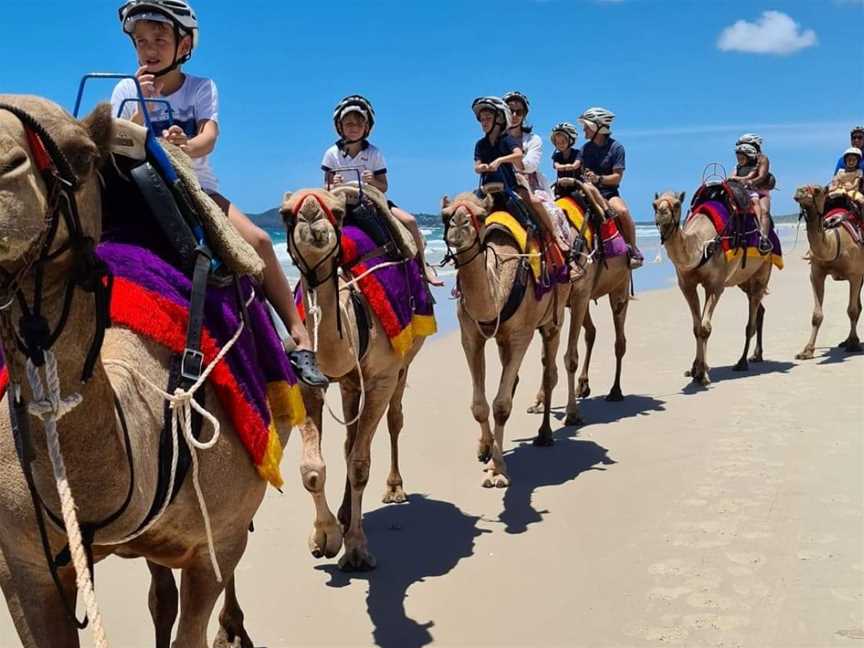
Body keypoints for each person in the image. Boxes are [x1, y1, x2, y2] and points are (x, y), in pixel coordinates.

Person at [111, 0, 327, 386]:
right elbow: (119, 138)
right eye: (142, 41)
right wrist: (140, 111)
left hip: (196, 188)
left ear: (184, 45)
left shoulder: (201, 87)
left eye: (160, 38)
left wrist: (186, 145)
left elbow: (209, 137)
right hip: (140, 187)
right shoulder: (126, 88)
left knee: (259, 241)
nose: (149, 48)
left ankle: (299, 335)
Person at [321, 95, 443, 286]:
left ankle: (423, 267)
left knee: (410, 221)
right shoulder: (331, 154)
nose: (353, 128)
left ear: (367, 127)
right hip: (340, 202)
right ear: (340, 127)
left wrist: (373, 182)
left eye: (358, 124)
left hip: (372, 199)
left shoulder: (374, 153)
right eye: (348, 123)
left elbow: (384, 187)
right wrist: (332, 185)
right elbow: (326, 188)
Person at [471, 96, 569, 253]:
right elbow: (476, 166)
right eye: (512, 111)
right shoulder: (481, 144)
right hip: (489, 188)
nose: (515, 115)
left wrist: (500, 161)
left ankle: (556, 237)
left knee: (535, 204)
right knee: (466, 211)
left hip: (519, 184)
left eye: (519, 111)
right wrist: (481, 167)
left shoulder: (519, 140)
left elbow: (524, 161)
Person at [577, 106, 643, 268]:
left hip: (609, 193)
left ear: (597, 127)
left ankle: (633, 250)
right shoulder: (584, 149)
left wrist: (598, 178)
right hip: (588, 194)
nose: (584, 130)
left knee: (622, 211)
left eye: (587, 126)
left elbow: (617, 178)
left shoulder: (616, 148)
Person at [728, 142, 773, 253]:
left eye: (742, 158)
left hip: (752, 190)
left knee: (759, 206)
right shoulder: (737, 166)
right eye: (738, 158)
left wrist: (745, 180)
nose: (739, 160)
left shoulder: (757, 165)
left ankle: (762, 234)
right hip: (740, 189)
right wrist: (734, 179)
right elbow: (732, 175)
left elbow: (754, 177)